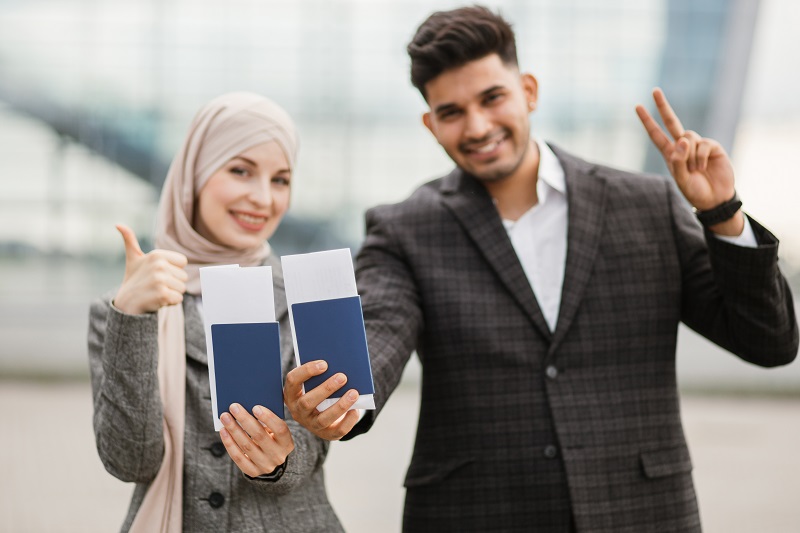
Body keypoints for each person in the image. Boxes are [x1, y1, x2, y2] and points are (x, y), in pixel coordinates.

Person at [282, 6, 799, 533]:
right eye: (452, 111)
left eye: (492, 98)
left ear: (528, 90)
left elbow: (769, 342)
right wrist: (341, 395)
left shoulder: (644, 203)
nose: (478, 126)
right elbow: (381, 326)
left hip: (641, 513)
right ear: (430, 123)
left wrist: (722, 214)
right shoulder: (404, 228)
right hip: (476, 515)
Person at [88, 92, 344, 533]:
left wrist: (281, 459)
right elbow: (131, 460)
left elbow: (321, 437)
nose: (263, 198)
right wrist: (134, 317)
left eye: (280, 180)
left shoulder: (305, 295)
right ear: (195, 175)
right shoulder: (119, 309)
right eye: (241, 170)